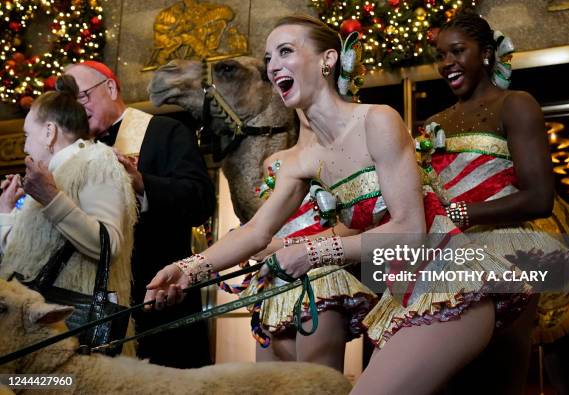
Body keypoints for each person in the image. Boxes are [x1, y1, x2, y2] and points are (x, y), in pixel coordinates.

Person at [145, 15, 524, 394]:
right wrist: (187, 269)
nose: (274, 64)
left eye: (286, 51)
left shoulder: (377, 121)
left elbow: (410, 230)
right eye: (269, 58)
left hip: (449, 283)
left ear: (327, 60)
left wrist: (313, 253)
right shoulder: (299, 160)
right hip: (401, 298)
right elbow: (256, 231)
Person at [411, 10, 569, 395]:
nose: (446, 63)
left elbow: (539, 198)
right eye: (440, 55)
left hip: (508, 254)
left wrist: (463, 214)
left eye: (457, 51)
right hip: (447, 258)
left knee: (499, 381)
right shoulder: (433, 124)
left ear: (485, 53)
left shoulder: (516, 104)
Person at [63, 61, 216, 368]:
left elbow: (200, 201)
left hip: (158, 298)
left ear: (110, 87)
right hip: (96, 310)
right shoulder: (75, 152)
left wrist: (142, 183)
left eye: (82, 98)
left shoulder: (165, 131)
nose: (78, 109)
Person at [0, 75, 137, 355]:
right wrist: (5, 211)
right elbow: (23, 255)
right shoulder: (50, 174)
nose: (25, 146)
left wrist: (50, 198)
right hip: (39, 333)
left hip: (71, 335)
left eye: (28, 135)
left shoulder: (96, 161)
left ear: (49, 132)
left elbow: (108, 244)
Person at [242, 110, 377, 371]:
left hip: (320, 279)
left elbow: (358, 226)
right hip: (274, 283)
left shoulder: (352, 154)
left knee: (316, 383)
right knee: (272, 386)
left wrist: (281, 248)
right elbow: (266, 226)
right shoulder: (274, 162)